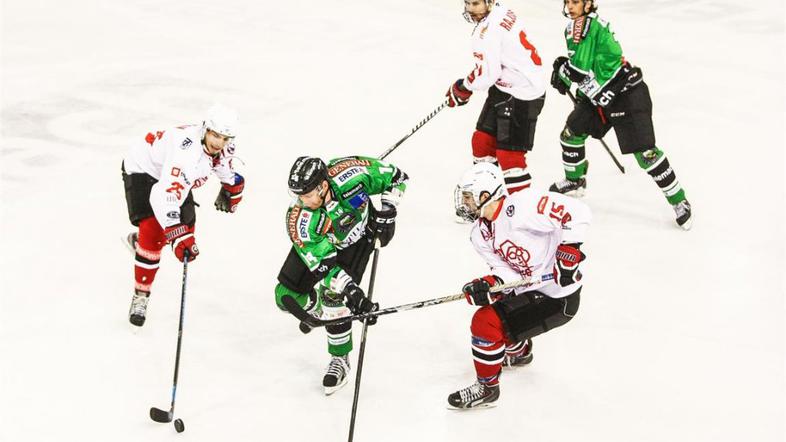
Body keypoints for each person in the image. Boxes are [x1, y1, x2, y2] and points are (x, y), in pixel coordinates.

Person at [448, 162, 591, 409]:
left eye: (469, 197)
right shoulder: (479, 234)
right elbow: (507, 270)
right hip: (531, 288)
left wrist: (569, 251)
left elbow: (577, 212)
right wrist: (489, 285)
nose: (465, 203)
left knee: (484, 323)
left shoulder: (522, 206)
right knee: (497, 309)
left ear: (485, 195)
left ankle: (487, 387)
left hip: (558, 297)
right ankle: (519, 351)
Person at [549, 0, 692, 229]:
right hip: (598, 97)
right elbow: (583, 67)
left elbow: (578, 71)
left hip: (626, 93)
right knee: (571, 134)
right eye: (567, 2)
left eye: (575, 1)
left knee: (646, 154)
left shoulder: (587, 26)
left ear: (588, 4)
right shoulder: (572, 27)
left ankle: (679, 200)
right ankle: (576, 181)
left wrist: (563, 70)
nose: (570, 6)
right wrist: (563, 77)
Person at [275, 155, 408, 395]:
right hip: (323, 245)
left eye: (306, 195)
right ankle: (315, 305)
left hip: (359, 238)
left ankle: (340, 359)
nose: (301, 202)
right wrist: (353, 292)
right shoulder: (300, 220)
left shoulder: (353, 174)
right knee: (284, 296)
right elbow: (324, 267)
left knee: (333, 299)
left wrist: (389, 210)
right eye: (298, 196)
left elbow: (398, 177)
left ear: (323, 186)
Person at [121, 104, 244, 327]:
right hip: (143, 168)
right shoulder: (186, 153)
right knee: (155, 232)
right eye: (215, 135)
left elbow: (223, 165)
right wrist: (176, 234)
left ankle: (143, 245)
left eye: (225, 138)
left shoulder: (223, 146)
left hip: (170, 175)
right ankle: (141, 294)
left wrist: (232, 185)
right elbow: (163, 195)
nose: (219, 142)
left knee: (186, 228)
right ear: (206, 129)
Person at [446, 0, 547, 194]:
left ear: (490, 2)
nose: (470, 9)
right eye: (467, 3)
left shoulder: (490, 31)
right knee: (482, 142)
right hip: (506, 87)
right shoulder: (499, 13)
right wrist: (466, 85)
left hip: (523, 94)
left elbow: (488, 74)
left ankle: (520, 211)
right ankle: (485, 198)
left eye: (476, 3)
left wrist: (463, 87)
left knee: (509, 157)